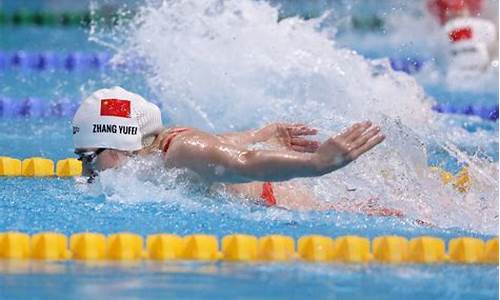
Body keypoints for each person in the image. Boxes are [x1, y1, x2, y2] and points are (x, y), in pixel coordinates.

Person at [73, 86, 402, 217]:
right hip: (271, 194)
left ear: (121, 143)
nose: (86, 171)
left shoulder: (179, 150)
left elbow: (246, 163)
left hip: (284, 200)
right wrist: (261, 133)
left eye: (89, 158)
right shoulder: (158, 152)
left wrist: (317, 163)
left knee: (390, 214)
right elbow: (216, 146)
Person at [427, 0, 497, 81]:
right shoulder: (485, 26)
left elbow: (436, 61)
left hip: (453, 77)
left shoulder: (441, 34)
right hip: (483, 73)